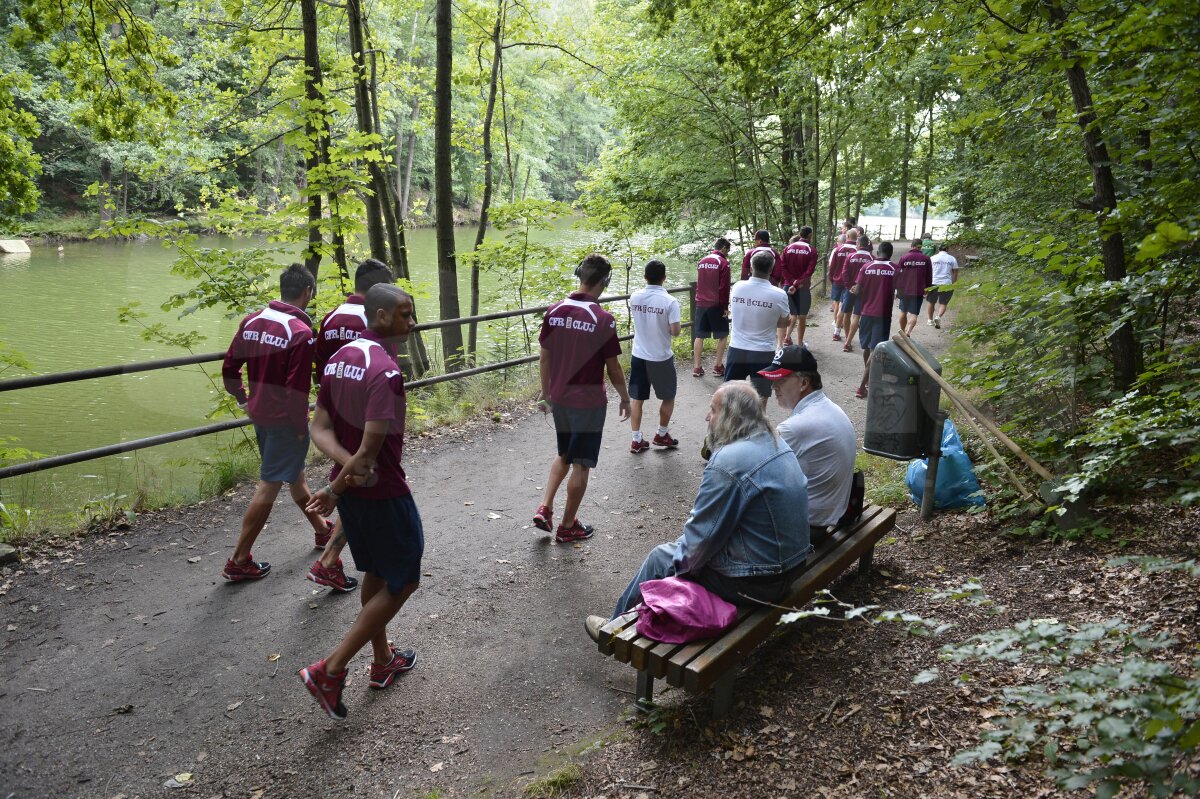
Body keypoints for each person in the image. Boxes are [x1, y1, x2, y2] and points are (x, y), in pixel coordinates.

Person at [583, 382, 811, 637]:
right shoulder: (777, 443)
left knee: (661, 558)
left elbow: (698, 544)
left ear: (731, 417)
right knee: (679, 554)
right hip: (794, 566)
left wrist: (677, 571)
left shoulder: (729, 462)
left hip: (761, 582)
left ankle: (614, 631)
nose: (707, 417)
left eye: (713, 410)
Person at [299, 284, 422, 721]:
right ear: (382, 316)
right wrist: (339, 486)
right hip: (383, 492)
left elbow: (320, 429)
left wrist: (339, 474)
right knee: (405, 579)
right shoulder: (385, 371)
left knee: (374, 570)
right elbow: (369, 456)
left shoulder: (338, 359)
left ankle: (383, 658)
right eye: (405, 315)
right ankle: (330, 669)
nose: (412, 323)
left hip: (351, 491)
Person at [220, 263, 330, 582]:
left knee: (294, 475)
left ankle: (322, 531)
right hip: (284, 420)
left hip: (260, 416)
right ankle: (239, 559)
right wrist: (299, 428)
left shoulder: (252, 321)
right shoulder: (300, 333)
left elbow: (230, 369)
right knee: (270, 483)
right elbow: (296, 391)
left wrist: (244, 400)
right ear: (307, 292)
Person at [305, 258, 397, 593]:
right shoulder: (376, 319)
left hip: (335, 411)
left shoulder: (331, 317)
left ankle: (331, 558)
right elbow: (385, 367)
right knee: (359, 479)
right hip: (366, 414)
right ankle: (330, 559)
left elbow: (320, 366)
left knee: (350, 479)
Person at [532, 253, 632, 543]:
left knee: (564, 452)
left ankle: (545, 507)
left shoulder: (554, 311)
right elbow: (613, 367)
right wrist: (625, 398)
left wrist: (546, 393)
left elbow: (544, 358)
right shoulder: (602, 319)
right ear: (605, 281)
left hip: (559, 398)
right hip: (588, 403)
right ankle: (567, 526)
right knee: (581, 463)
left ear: (579, 275)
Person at [757, 346, 856, 544]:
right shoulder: (829, 408)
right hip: (830, 514)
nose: (774, 386)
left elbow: (754, 471)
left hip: (808, 527)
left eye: (781, 380)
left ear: (804, 382)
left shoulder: (795, 427)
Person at [628, 259, 682, 453]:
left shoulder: (635, 297)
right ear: (664, 278)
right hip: (660, 357)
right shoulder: (670, 301)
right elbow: (675, 331)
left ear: (645, 277)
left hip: (639, 354)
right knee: (668, 396)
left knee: (637, 398)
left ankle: (636, 439)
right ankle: (661, 434)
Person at [725, 250, 790, 406]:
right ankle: (758, 428)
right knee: (761, 397)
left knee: (730, 395)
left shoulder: (738, 287)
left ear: (751, 267)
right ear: (772, 269)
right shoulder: (779, 294)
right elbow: (784, 322)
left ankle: (729, 427)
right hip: (763, 352)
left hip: (737, 348)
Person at [850, 242, 898, 399]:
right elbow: (901, 292)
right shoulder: (894, 268)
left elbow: (857, 290)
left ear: (878, 252)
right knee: (875, 350)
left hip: (866, 312)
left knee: (867, 348)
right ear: (890, 253)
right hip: (882, 314)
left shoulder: (866, 267)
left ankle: (869, 377)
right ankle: (862, 386)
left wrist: (854, 290)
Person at [692, 238, 731, 377]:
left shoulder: (702, 261)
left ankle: (697, 368)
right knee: (723, 334)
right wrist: (725, 307)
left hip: (701, 303)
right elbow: (724, 288)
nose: (728, 253)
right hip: (716, 304)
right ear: (723, 248)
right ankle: (718, 366)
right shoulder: (723, 263)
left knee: (699, 335)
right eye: (728, 250)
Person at [779, 227, 819, 348]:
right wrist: (797, 283)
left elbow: (782, 267)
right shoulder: (811, 250)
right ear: (810, 235)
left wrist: (791, 282)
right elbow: (809, 271)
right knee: (802, 316)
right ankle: (800, 343)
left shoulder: (787, 248)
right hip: (803, 287)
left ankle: (783, 341)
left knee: (788, 314)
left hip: (788, 286)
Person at [839, 234, 874, 352]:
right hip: (863, 291)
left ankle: (847, 339)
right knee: (856, 316)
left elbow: (844, 273)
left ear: (858, 244)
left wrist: (849, 286)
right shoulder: (872, 258)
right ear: (868, 245)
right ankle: (848, 341)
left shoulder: (850, 256)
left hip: (849, 290)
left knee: (846, 313)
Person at [895, 240, 933, 335]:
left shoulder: (904, 258)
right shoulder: (926, 259)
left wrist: (897, 288)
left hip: (905, 289)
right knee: (914, 314)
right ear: (921, 247)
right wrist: (928, 288)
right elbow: (929, 275)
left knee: (903, 312)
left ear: (911, 246)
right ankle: (909, 331)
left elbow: (898, 274)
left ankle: (902, 332)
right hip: (918, 290)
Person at [827, 229, 857, 341]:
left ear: (847, 236)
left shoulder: (837, 249)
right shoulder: (857, 250)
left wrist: (832, 278)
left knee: (838, 305)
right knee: (844, 308)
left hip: (837, 280)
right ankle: (837, 331)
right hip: (850, 283)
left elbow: (832, 267)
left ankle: (836, 329)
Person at [926, 244, 959, 329]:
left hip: (934, 282)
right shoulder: (952, 258)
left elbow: (928, 271)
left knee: (931, 301)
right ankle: (938, 317)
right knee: (943, 303)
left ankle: (930, 320)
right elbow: (955, 272)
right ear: (947, 249)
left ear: (938, 249)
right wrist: (954, 283)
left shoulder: (932, 258)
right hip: (946, 283)